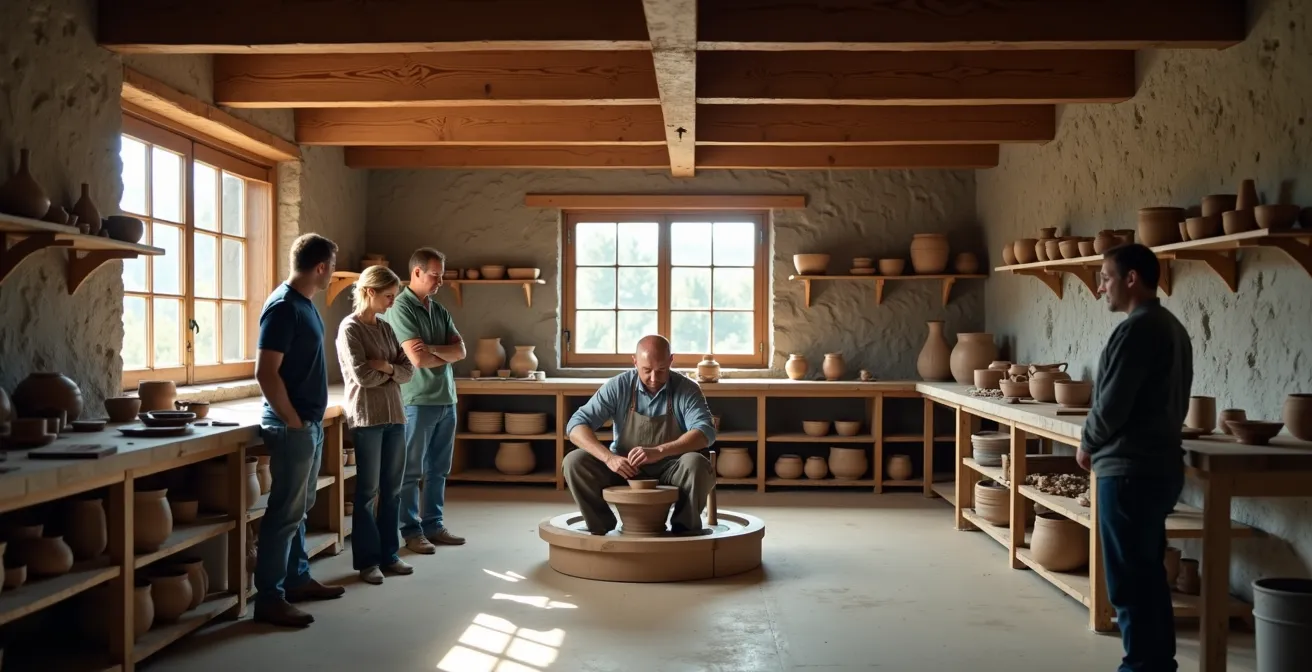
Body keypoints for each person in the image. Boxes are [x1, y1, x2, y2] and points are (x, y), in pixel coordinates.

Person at [1078, 243, 1193, 672]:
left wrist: (1087, 442)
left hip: (1130, 470)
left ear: (1131, 279)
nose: (1100, 288)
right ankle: (1157, 665)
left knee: (1129, 583)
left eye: (1105, 277)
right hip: (1158, 467)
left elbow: (1112, 405)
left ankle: (1143, 667)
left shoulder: (1139, 329)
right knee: (1147, 577)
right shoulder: (1171, 327)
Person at [252, 233, 346, 627]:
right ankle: (269, 599)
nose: (332, 274)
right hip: (292, 426)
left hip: (307, 422)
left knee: (300, 511)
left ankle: (297, 579)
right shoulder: (283, 308)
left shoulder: (304, 304)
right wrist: (291, 419)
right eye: (332, 267)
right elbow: (264, 372)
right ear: (321, 267)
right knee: (283, 515)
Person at [563, 335, 717, 535]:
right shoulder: (618, 386)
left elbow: (705, 432)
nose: (654, 378)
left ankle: (684, 531)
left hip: (671, 470)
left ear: (671, 360)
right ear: (634, 361)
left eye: (661, 370)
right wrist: (609, 458)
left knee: (696, 463)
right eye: (646, 370)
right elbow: (576, 425)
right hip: (624, 468)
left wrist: (659, 451)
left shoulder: (687, 389)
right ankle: (599, 526)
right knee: (574, 461)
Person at [335, 265, 417, 584]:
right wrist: (389, 370)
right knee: (367, 492)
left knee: (392, 490)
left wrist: (384, 365)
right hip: (367, 417)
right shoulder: (350, 328)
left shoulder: (385, 328)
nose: (392, 302)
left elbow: (408, 370)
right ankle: (368, 561)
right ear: (370, 292)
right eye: (388, 296)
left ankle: (389, 554)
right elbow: (362, 376)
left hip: (395, 415)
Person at [388, 248, 467, 553]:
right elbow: (417, 360)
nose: (441, 281)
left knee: (439, 469)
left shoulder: (439, 310)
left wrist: (433, 350)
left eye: (442, 274)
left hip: (446, 398)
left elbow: (461, 351)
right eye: (436, 275)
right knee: (410, 471)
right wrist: (438, 352)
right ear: (417, 272)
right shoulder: (400, 308)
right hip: (417, 399)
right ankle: (410, 530)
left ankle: (433, 525)